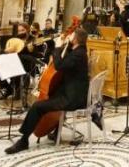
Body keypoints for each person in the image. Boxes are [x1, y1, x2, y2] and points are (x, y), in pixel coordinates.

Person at [5, 26, 90, 154]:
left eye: (72, 35)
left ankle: (23, 141)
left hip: (73, 98)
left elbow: (60, 64)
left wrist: (57, 46)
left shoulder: (78, 54)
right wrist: (63, 45)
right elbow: (63, 58)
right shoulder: (78, 51)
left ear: (76, 39)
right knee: (48, 99)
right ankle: (56, 130)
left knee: (37, 106)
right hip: (71, 92)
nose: (69, 37)